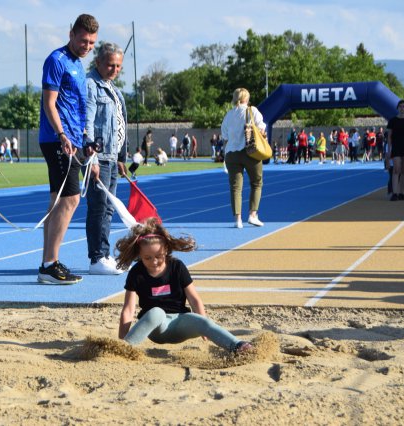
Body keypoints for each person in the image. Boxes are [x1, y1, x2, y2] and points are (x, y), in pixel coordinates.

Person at [116, 218, 254, 354]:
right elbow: (128, 310)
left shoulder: (177, 267)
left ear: (166, 251)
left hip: (181, 322)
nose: (154, 262)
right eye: (148, 258)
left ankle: (237, 346)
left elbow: (194, 299)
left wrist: (203, 326)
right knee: (156, 312)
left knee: (202, 320)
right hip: (157, 327)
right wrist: (121, 339)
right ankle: (123, 349)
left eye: (159, 256)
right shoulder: (136, 273)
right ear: (139, 255)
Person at [37, 14, 99, 284]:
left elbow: (78, 107)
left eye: (92, 43)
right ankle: (50, 264)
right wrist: (62, 134)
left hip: (73, 139)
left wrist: (85, 138)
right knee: (70, 199)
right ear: (71, 33)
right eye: (83, 40)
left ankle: (47, 262)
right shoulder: (57, 60)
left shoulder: (78, 65)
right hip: (57, 140)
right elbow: (49, 103)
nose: (87, 46)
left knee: (57, 202)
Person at [84, 41, 128, 275]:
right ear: (98, 62)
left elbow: (120, 124)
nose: (114, 69)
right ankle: (97, 258)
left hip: (112, 157)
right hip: (98, 157)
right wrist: (91, 157)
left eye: (118, 66)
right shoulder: (91, 85)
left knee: (109, 208)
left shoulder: (113, 88)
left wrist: (122, 156)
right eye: (110, 64)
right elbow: (88, 122)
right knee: (98, 207)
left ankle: (105, 254)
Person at [221, 88, 266, 229]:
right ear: (247, 98)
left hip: (231, 154)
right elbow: (262, 129)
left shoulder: (228, 115)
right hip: (250, 151)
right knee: (256, 183)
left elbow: (225, 137)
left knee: (235, 188)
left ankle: (237, 219)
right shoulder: (252, 111)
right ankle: (253, 215)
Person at [386, 99, 404, 201]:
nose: (402, 108)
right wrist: (389, 150)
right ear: (397, 108)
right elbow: (389, 136)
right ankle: (394, 193)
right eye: (400, 106)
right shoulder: (392, 121)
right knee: (396, 169)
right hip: (396, 147)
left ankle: (401, 193)